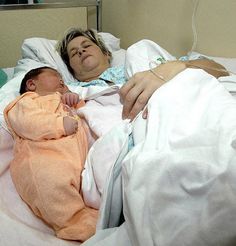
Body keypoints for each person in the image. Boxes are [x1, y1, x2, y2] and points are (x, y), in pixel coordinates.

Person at [4, 66, 98, 242]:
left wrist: (75, 101)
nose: (62, 80)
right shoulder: (26, 101)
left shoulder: (63, 100)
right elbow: (28, 123)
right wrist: (60, 124)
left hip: (74, 160)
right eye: (56, 76)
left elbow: (84, 117)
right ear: (32, 84)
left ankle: (88, 213)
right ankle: (72, 225)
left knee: (79, 188)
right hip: (42, 159)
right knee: (52, 187)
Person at [57, 28, 229, 121]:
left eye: (86, 45)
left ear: (107, 54)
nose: (81, 50)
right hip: (144, 123)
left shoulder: (140, 58)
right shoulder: (73, 91)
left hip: (191, 101)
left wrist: (169, 69)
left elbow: (220, 70)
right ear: (72, 71)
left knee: (139, 47)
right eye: (73, 53)